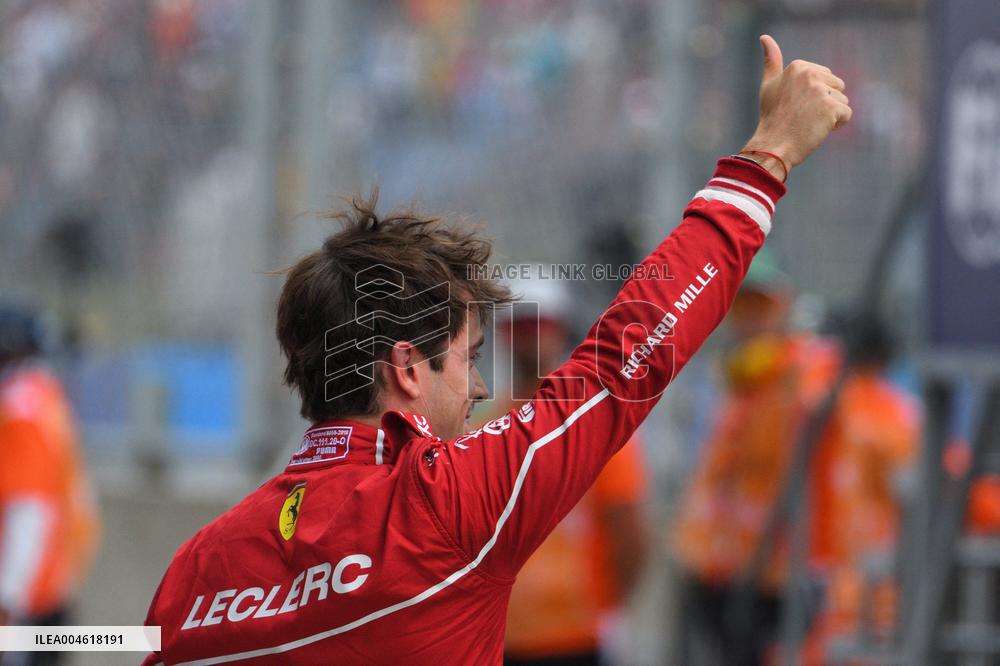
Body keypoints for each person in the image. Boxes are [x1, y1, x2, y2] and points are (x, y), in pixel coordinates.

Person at [143, 35, 852, 664]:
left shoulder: (194, 570)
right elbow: (630, 352)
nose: (480, 387)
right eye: (469, 355)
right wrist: (769, 158)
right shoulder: (445, 503)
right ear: (407, 369)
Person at [494, 278, 647, 666]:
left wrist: (612, 611)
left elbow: (627, 526)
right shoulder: (489, 422)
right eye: (520, 326)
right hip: (504, 635)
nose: (530, 337)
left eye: (540, 324)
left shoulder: (592, 417)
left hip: (577, 635)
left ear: (560, 329)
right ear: (502, 334)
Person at [0, 306, 100, 665]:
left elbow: (29, 511)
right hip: (50, 589)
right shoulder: (47, 400)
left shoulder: (20, 412)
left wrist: (8, 600)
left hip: (25, 600)